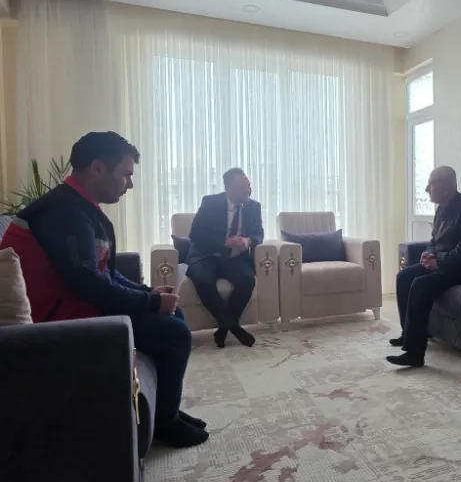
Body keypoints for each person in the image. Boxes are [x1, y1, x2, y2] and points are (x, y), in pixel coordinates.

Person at [0, 131, 207, 448]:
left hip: (78, 305)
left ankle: (167, 412)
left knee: (174, 313)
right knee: (175, 333)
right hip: (57, 325)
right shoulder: (64, 213)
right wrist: (151, 303)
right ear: (97, 168)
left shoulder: (79, 208)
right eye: (126, 174)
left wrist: (149, 294)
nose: (130, 184)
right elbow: (88, 284)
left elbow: (103, 271)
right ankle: (165, 424)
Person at [387, 166, 461, 368]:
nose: (427, 189)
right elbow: (434, 240)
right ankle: (408, 334)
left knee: (420, 285)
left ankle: (415, 353)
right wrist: (428, 253)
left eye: (430, 184)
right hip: (445, 264)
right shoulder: (441, 209)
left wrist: (438, 261)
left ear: (446, 187)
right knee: (403, 277)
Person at [186, 168, 263, 349]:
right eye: (242, 187)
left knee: (247, 281)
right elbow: (195, 234)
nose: (248, 190)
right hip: (207, 255)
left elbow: (258, 234)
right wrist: (225, 241)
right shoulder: (210, 203)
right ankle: (234, 327)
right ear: (228, 188)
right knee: (204, 280)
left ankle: (223, 329)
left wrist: (248, 241)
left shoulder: (254, 207)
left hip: (235, 258)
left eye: (249, 185)